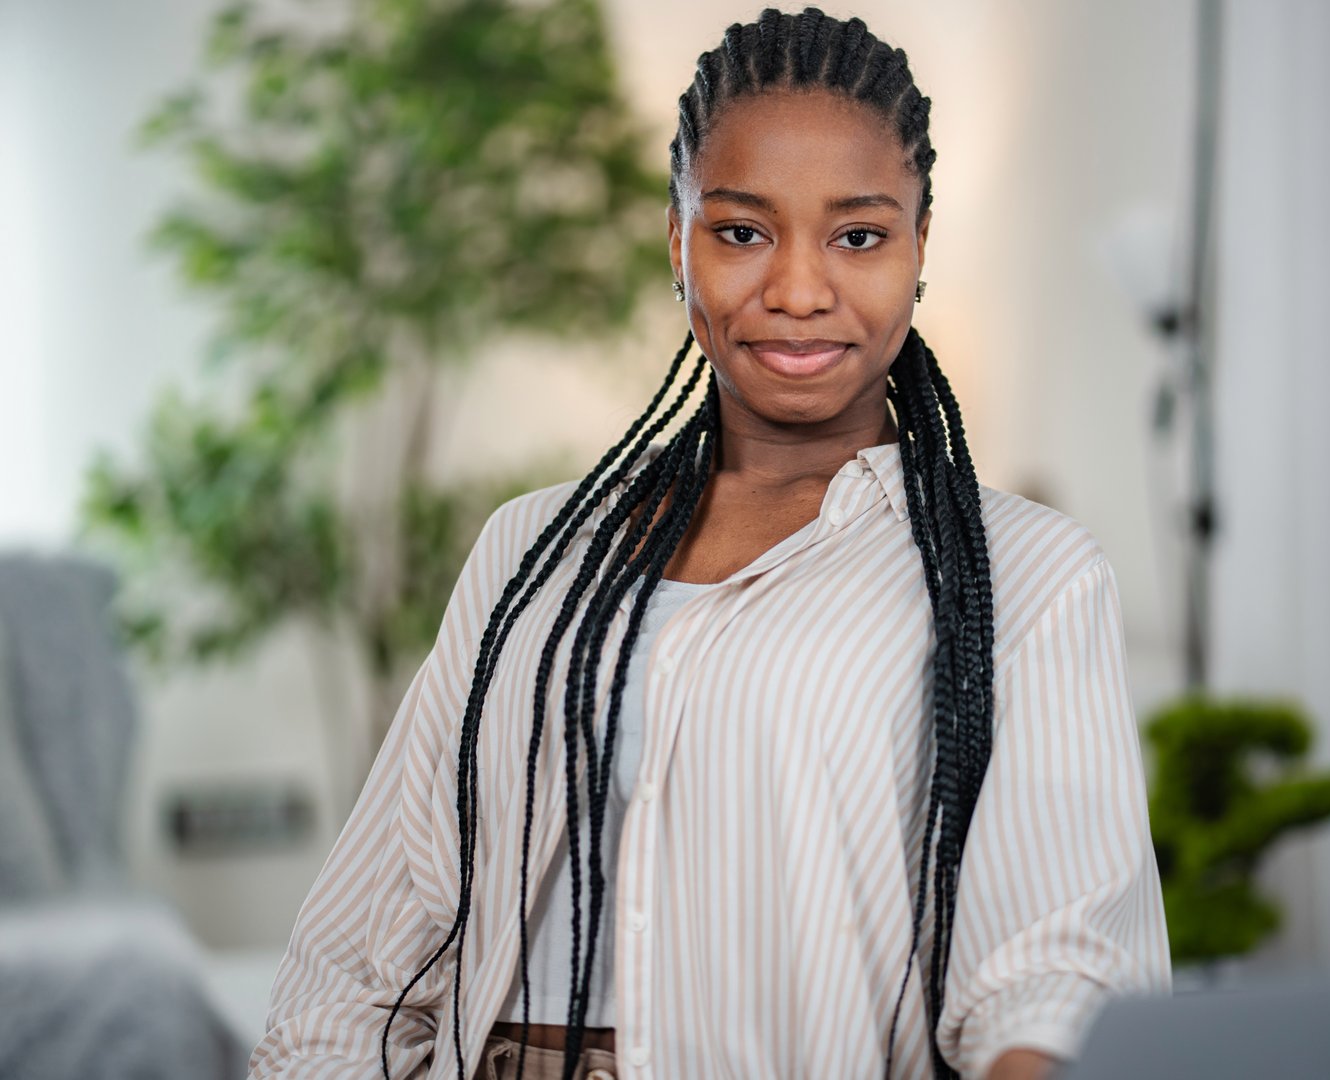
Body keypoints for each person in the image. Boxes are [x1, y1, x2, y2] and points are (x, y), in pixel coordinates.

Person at [247, 7, 1171, 1080]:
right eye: (742, 231)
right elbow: (359, 960)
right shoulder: (530, 553)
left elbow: (1052, 973)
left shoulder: (1027, 579)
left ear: (921, 246)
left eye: (858, 234)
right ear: (676, 242)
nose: (796, 289)